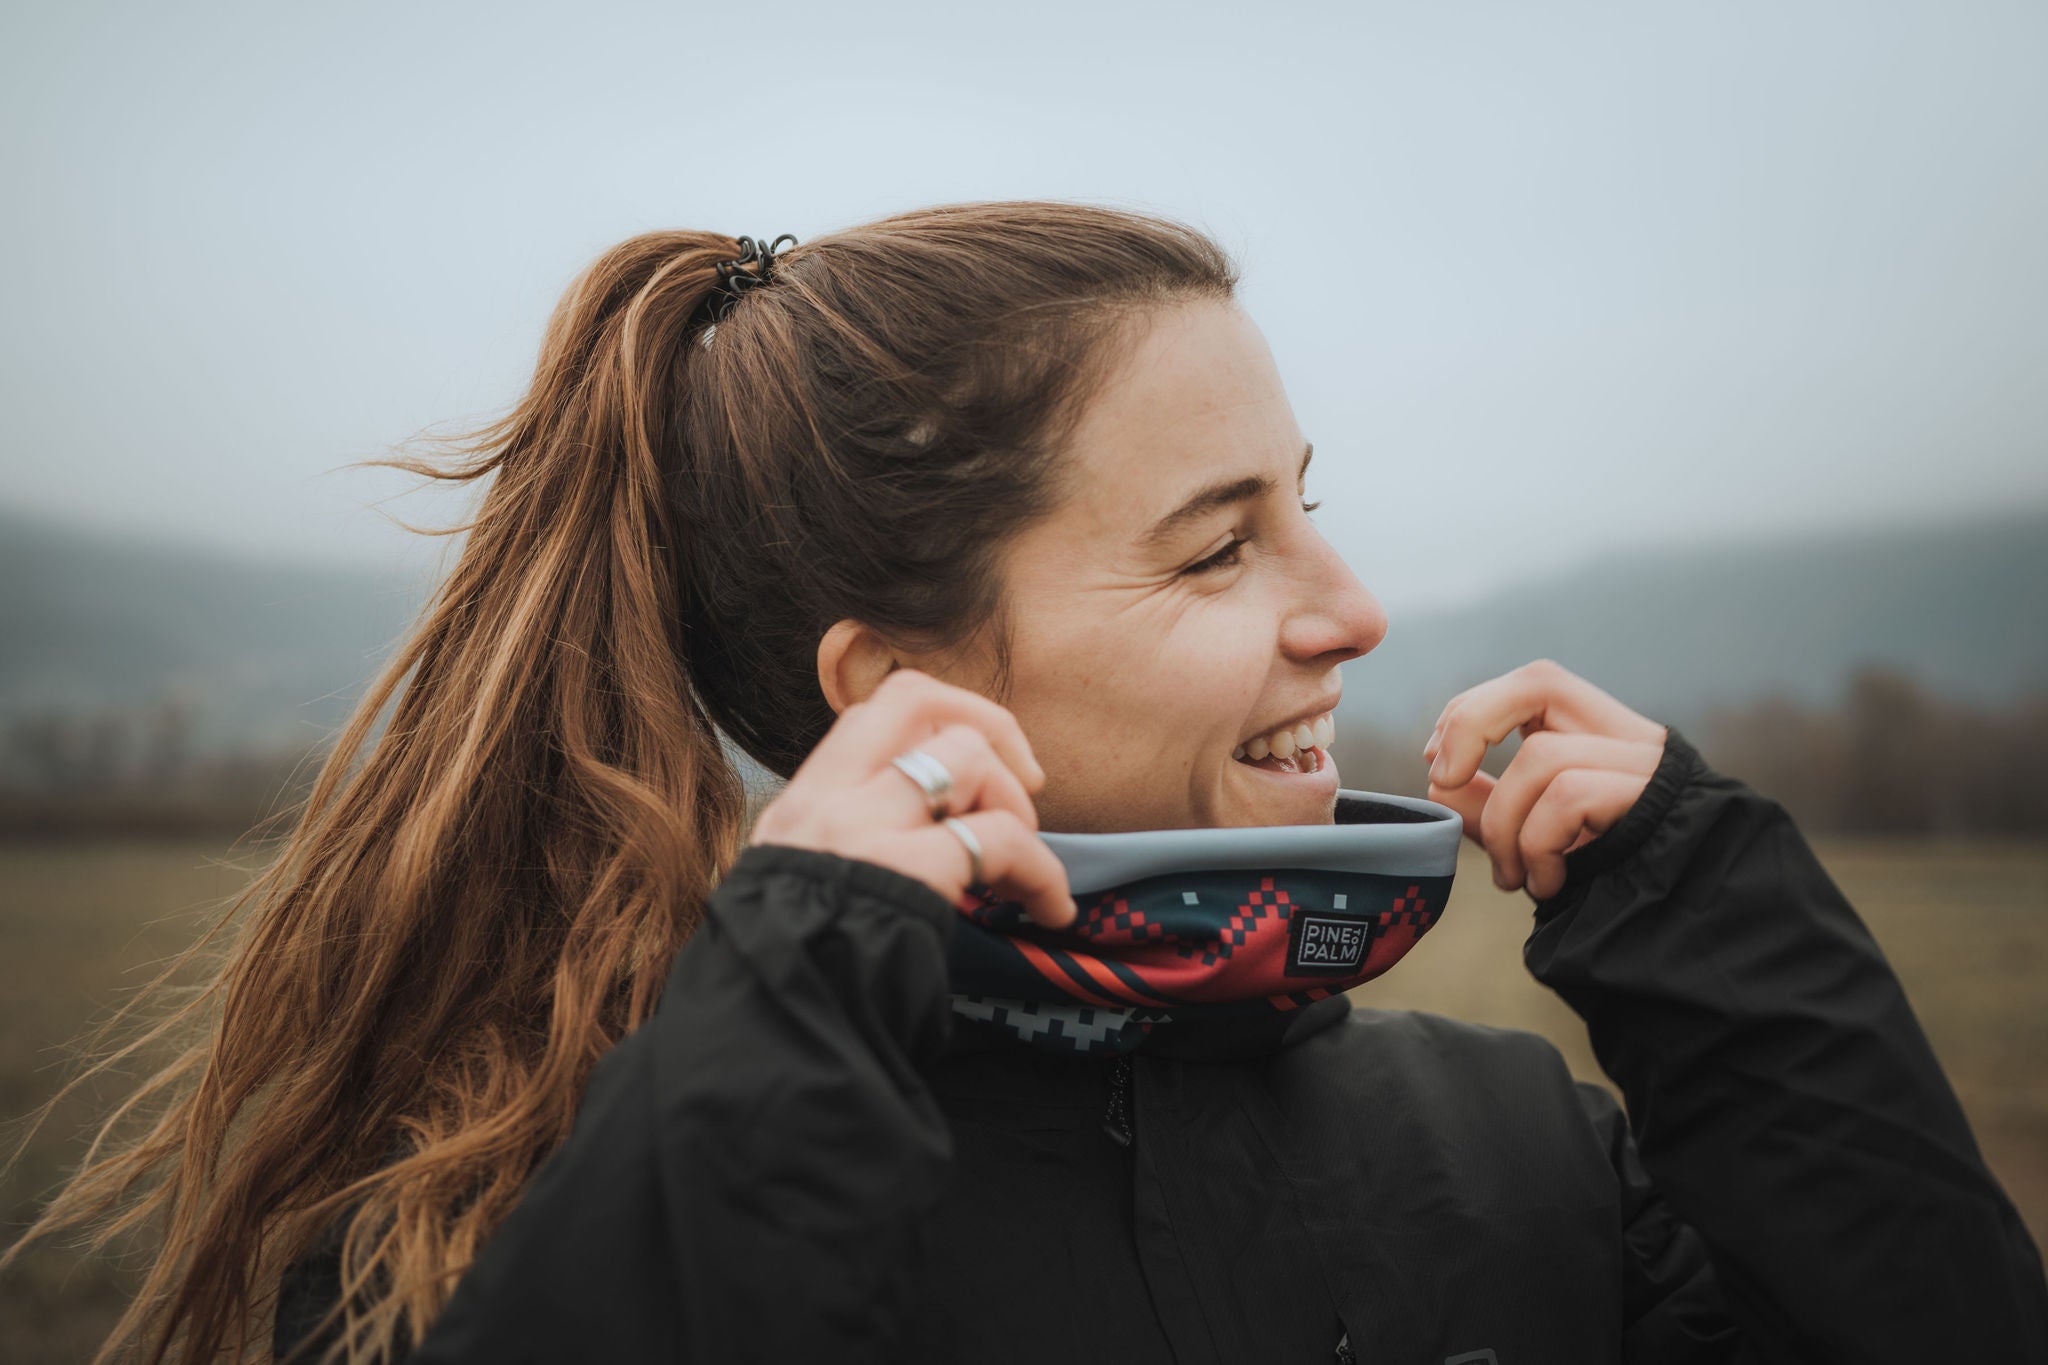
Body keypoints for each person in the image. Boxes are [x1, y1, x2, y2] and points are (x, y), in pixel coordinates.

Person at [10, 204, 2042, 1364]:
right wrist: (802, 981)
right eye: (1215, 540)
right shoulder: (486, 1223)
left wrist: (1721, 929)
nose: (1349, 608)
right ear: (896, 690)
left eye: (1309, 512)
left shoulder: (1523, 1149)